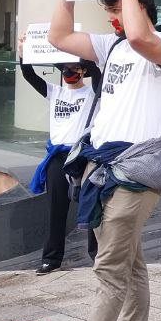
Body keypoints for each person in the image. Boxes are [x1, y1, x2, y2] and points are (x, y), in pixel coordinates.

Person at [16, 0, 161, 321]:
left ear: (136, 6)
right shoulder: (112, 49)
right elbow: (58, 36)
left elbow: (142, 34)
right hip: (103, 170)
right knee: (130, 264)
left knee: (109, 268)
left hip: (135, 170)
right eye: (108, 13)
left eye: (117, 11)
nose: (112, 21)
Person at [18, 32, 101, 274]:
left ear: (83, 71)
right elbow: (28, 75)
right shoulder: (54, 92)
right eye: (64, 69)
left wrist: (78, 54)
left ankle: (97, 256)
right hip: (58, 157)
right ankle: (51, 258)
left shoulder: (93, 93)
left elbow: (96, 71)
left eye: (73, 69)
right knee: (56, 209)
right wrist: (25, 52)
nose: (68, 73)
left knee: (91, 206)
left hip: (84, 155)